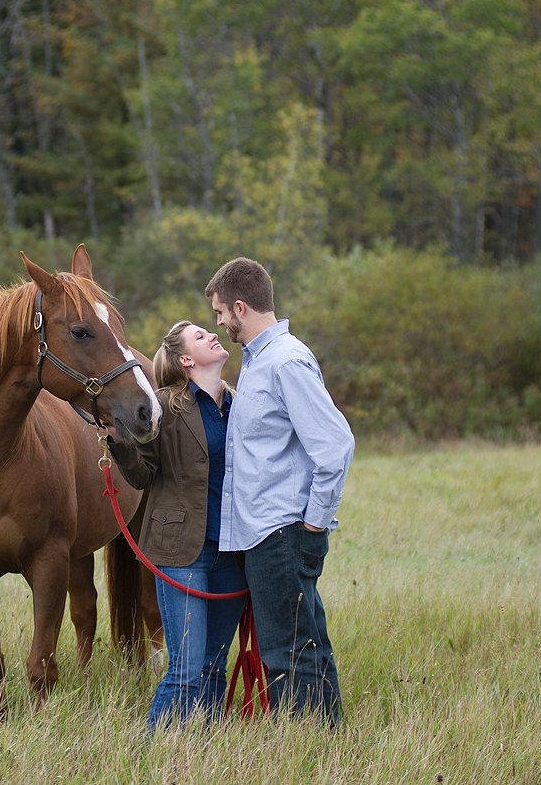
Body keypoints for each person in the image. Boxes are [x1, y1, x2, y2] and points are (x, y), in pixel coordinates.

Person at [205, 257, 354, 723]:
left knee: (288, 654)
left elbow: (335, 445)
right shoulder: (258, 362)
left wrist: (312, 523)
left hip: (281, 532)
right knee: (303, 642)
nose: (220, 323)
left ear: (241, 306)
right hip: (267, 533)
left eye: (220, 313)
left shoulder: (284, 361)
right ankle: (326, 744)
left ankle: (306, 751)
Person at [107, 320, 247, 730]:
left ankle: (199, 752)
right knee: (184, 671)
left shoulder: (240, 403)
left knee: (214, 667)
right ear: (186, 359)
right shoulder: (165, 405)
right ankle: (154, 754)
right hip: (180, 549)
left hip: (232, 549)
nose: (213, 335)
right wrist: (118, 444)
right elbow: (143, 476)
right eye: (202, 336)